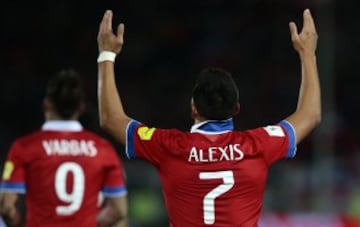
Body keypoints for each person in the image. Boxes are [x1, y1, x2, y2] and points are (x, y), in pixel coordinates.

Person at [97, 8, 320, 227]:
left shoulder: (168, 146)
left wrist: (106, 54)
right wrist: (307, 54)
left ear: (193, 107)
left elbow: (111, 119)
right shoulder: (258, 145)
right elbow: (310, 115)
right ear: (237, 108)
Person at [0, 69, 128, 227]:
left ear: (46, 104)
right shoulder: (104, 150)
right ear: (81, 108)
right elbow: (119, 210)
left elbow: (6, 206)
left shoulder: (24, 148)